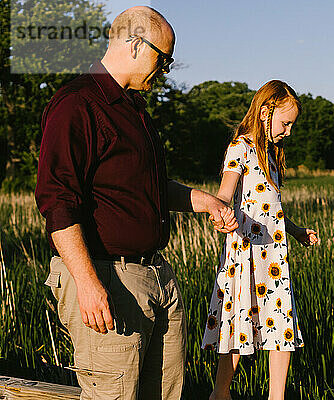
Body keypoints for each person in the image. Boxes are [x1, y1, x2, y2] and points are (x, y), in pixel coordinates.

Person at [35, 6, 237, 400]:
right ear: (135, 44)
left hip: (155, 276)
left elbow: (151, 187)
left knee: (166, 393)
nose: (165, 69)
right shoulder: (77, 103)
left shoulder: (133, 108)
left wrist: (205, 202)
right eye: (164, 58)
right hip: (108, 278)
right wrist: (88, 283)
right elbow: (57, 201)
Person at [201, 80, 320, 400]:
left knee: (282, 325)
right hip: (244, 255)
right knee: (237, 327)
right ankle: (220, 392)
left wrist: (295, 231)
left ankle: (276, 396)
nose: (289, 132)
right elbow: (225, 195)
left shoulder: (271, 156)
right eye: (286, 123)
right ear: (266, 111)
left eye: (292, 125)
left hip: (274, 259)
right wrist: (219, 213)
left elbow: (272, 210)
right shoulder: (240, 147)